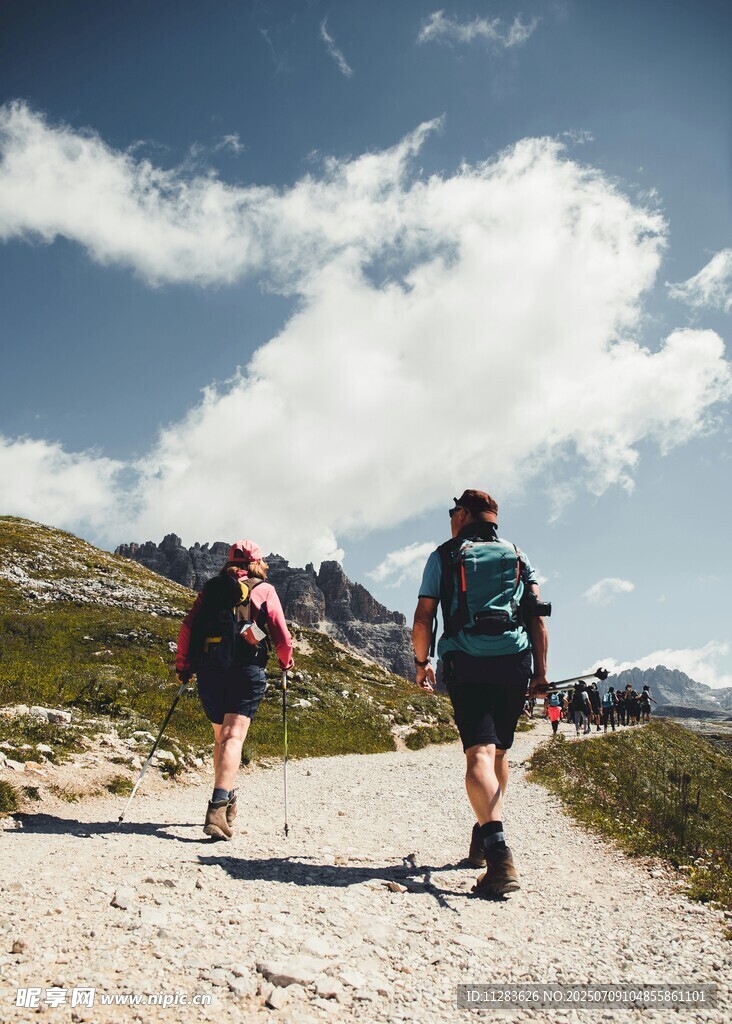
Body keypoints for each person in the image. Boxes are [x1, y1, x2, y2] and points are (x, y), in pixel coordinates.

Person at [412, 490, 549, 897]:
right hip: (515, 661)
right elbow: (538, 617)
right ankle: (483, 833)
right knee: (500, 753)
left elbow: (424, 616)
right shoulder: (519, 555)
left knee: (479, 753)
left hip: (467, 661)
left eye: (454, 511)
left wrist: (422, 664)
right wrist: (540, 673)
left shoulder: (445, 555)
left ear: (466, 515)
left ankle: (499, 855)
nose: (451, 517)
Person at [176, 539, 294, 840]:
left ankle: (227, 798)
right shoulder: (264, 589)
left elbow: (188, 627)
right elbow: (280, 632)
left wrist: (184, 667)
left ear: (229, 562)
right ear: (258, 562)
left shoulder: (211, 590)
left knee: (221, 737)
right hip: (245, 668)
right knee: (234, 736)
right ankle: (217, 807)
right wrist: (286, 662)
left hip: (210, 669)